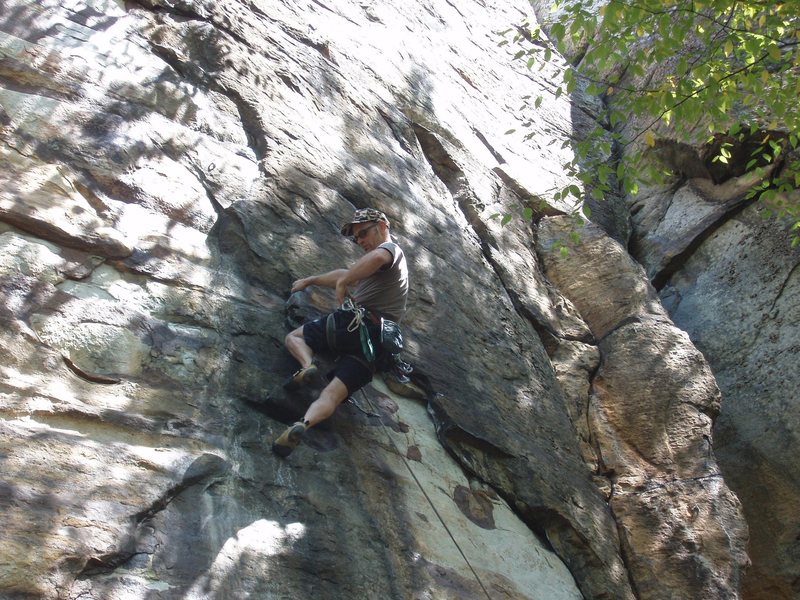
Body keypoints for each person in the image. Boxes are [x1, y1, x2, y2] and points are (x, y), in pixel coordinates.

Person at [272, 207, 409, 457]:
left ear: (382, 226)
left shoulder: (390, 250)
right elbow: (347, 275)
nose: (360, 241)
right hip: (377, 348)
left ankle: (307, 366)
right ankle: (302, 424)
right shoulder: (377, 269)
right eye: (356, 239)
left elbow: (374, 260)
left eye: (363, 233)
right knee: (332, 395)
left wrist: (343, 283)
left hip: (354, 325)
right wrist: (312, 280)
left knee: (295, 337)